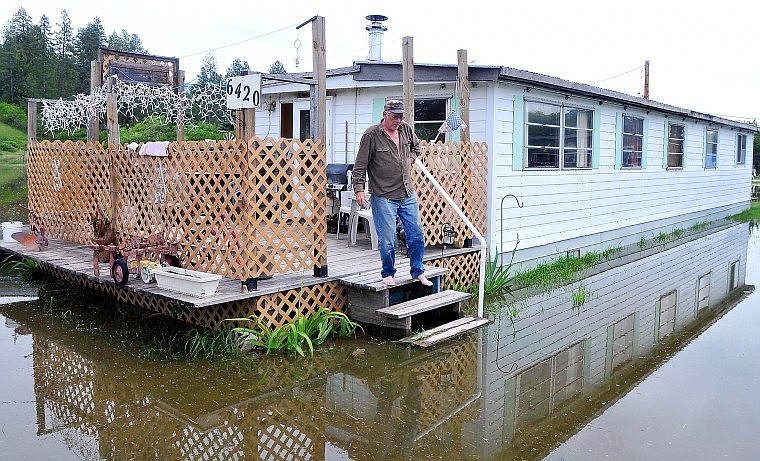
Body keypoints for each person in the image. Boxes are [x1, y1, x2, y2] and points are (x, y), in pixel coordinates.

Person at [352, 100, 432, 287]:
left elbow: (416, 147)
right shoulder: (371, 135)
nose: (398, 120)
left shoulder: (405, 129)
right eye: (395, 116)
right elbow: (360, 165)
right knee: (388, 239)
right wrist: (359, 190)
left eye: (401, 116)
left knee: (417, 234)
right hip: (383, 195)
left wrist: (411, 158)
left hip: (407, 192)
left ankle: (418, 271)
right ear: (385, 114)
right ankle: (388, 272)